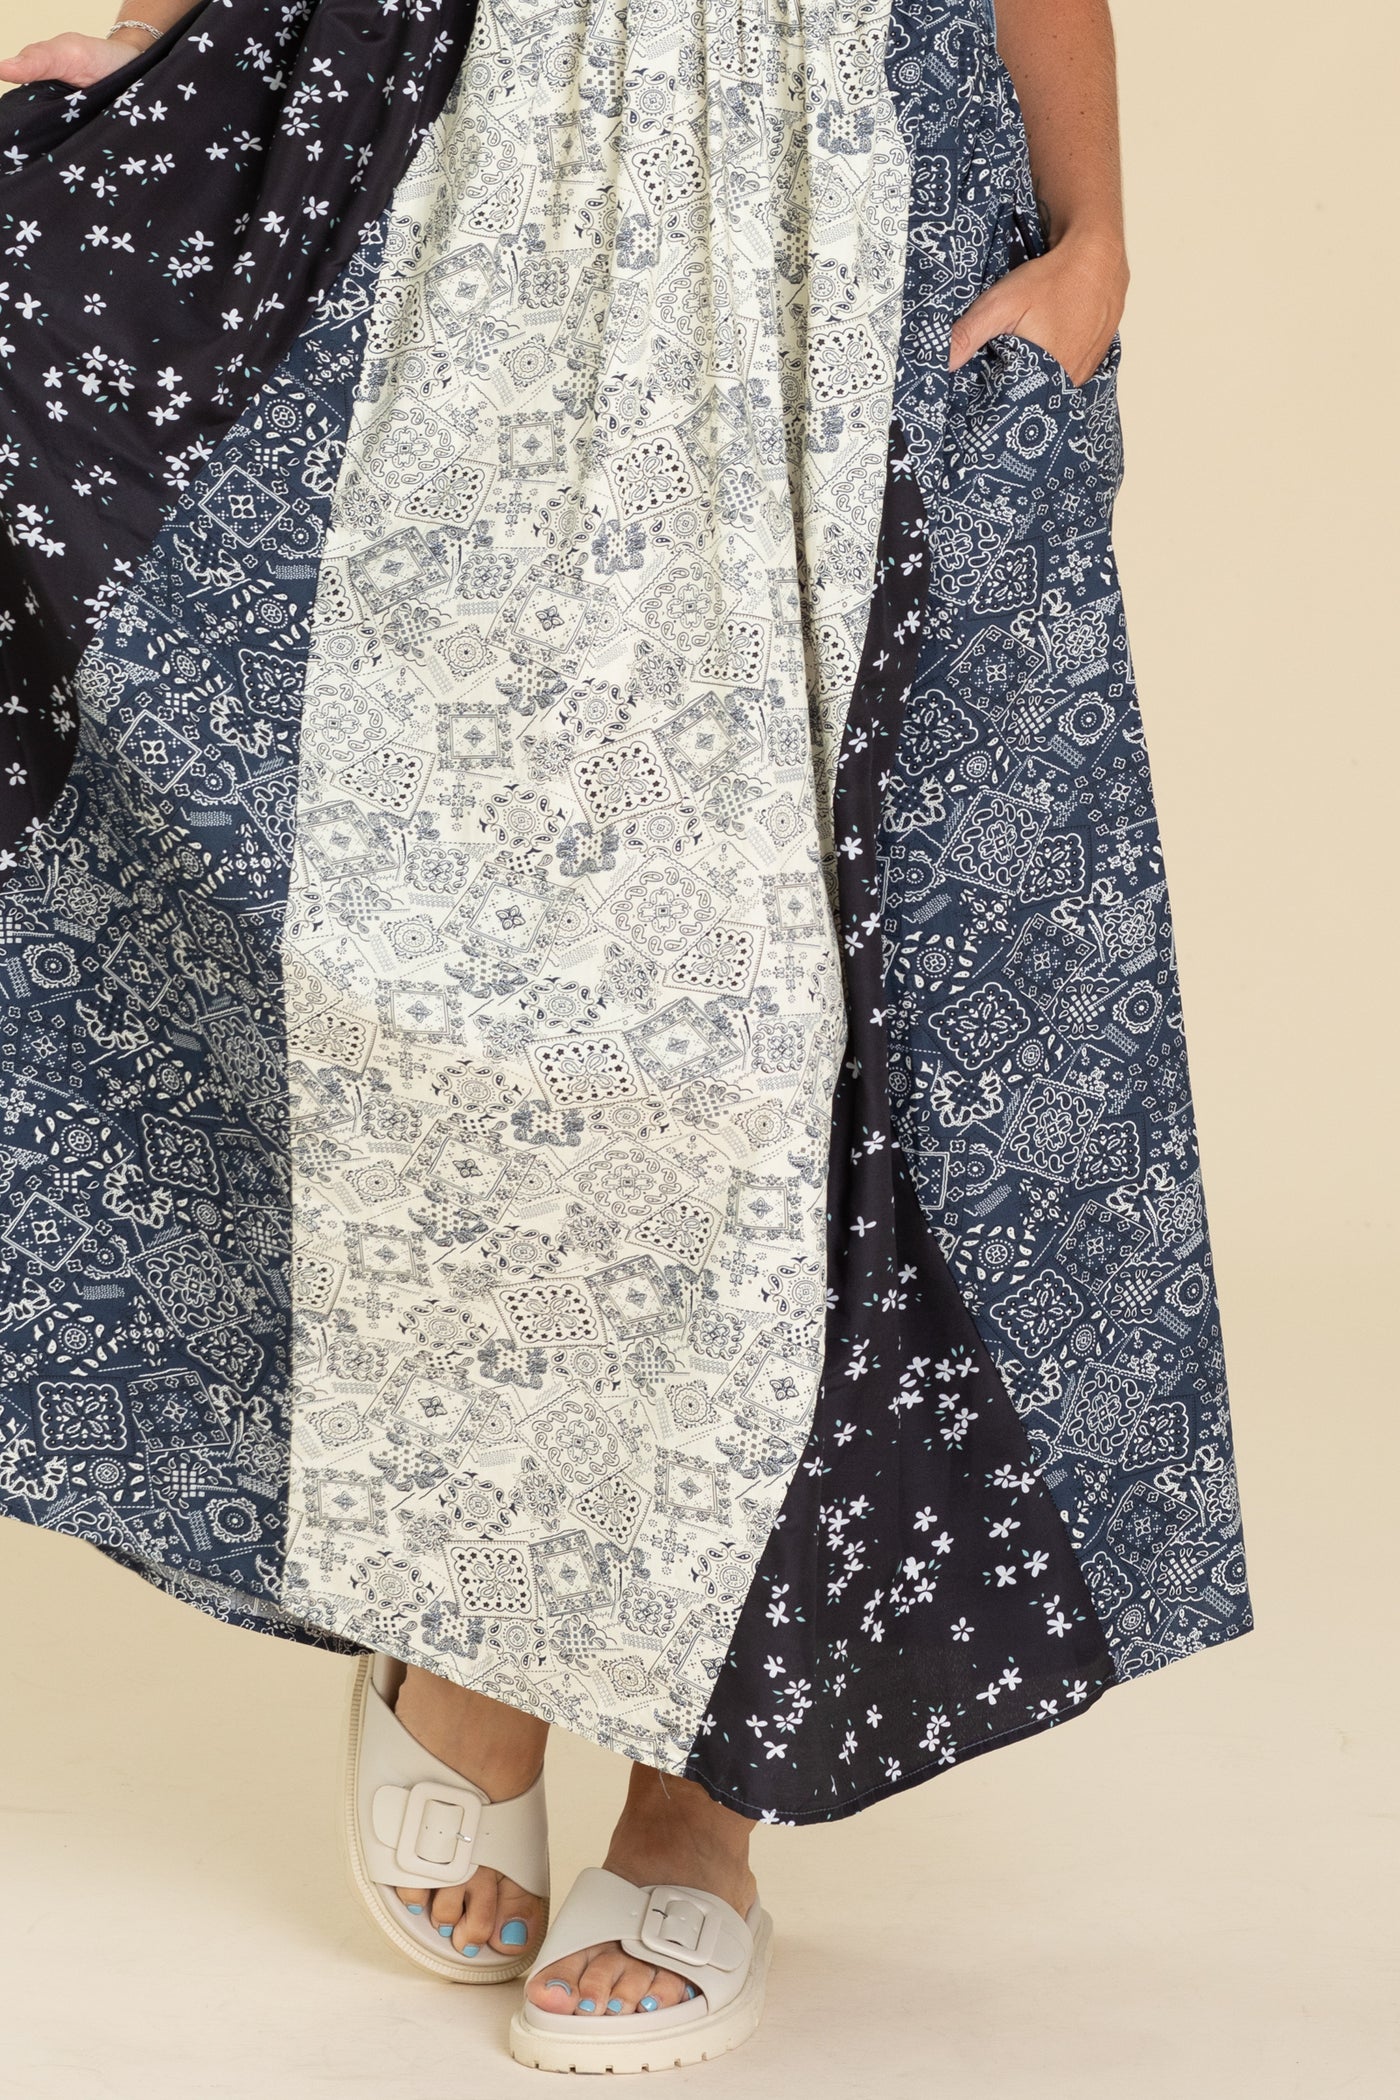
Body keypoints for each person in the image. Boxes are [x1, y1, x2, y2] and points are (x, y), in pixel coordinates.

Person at [0, 0, 1250, 2072]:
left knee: (784, 1036)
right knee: (446, 973)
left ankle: (700, 1797)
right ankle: (475, 1636)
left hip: (825, 196)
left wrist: (1095, 229)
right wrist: (152, 31)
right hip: (477, 140)